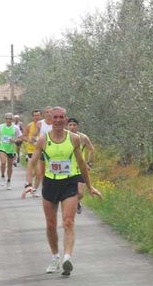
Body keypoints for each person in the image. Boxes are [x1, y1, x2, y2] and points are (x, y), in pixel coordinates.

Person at [23, 107, 102, 276]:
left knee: (68, 222)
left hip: (69, 182)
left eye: (61, 117)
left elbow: (81, 164)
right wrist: (29, 184)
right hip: (51, 183)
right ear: (50, 120)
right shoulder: (43, 139)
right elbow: (32, 162)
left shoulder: (74, 139)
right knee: (51, 225)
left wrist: (89, 186)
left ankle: (67, 257)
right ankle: (55, 257)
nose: (58, 120)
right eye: (55, 117)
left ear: (66, 120)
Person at [67, 117, 96, 214]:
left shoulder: (83, 137)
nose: (72, 127)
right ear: (67, 126)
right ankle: (71, 205)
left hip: (80, 168)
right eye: (70, 125)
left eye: (74, 125)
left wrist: (89, 163)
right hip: (67, 169)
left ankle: (77, 201)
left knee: (80, 193)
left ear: (77, 126)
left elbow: (92, 149)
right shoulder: (63, 137)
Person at [0, 112, 22, 189]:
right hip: (2, 147)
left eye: (10, 119)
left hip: (11, 149)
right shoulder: (0, 126)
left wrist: (14, 141)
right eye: (7, 119)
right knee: (3, 162)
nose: (8, 120)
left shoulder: (16, 128)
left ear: (12, 119)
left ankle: (9, 181)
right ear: (5, 119)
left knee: (10, 167)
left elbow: (20, 138)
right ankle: (2, 176)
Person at [22, 109, 42, 195]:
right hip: (31, 150)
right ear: (32, 117)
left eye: (38, 115)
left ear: (40, 116)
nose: (36, 117)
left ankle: (33, 187)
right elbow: (24, 136)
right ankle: (32, 187)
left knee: (39, 173)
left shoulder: (43, 125)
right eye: (35, 116)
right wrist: (29, 139)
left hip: (42, 150)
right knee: (38, 172)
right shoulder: (30, 126)